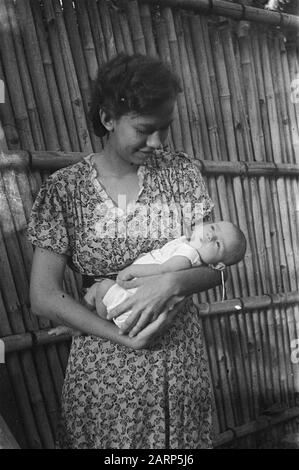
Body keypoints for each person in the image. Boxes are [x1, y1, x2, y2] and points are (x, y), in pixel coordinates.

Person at [28, 53, 225, 449]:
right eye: (145, 129)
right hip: (105, 372)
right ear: (107, 119)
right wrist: (123, 340)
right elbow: (43, 296)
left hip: (178, 366)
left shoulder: (180, 174)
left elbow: (217, 266)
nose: (158, 143)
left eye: (165, 129)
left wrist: (169, 282)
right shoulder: (66, 191)